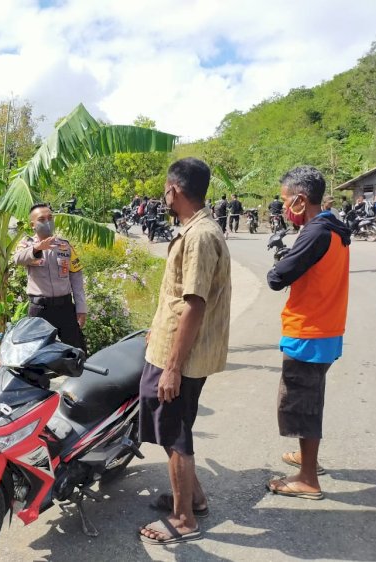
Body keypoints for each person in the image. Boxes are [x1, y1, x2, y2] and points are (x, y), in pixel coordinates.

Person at [137, 158, 231, 545]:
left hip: (182, 357)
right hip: (171, 345)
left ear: (174, 190)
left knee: (174, 430)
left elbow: (194, 303)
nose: (164, 195)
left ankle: (184, 519)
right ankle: (194, 498)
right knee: (168, 421)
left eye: (165, 188)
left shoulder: (199, 236)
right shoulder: (196, 229)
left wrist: (173, 366)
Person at [266, 166, 350, 500]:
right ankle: (307, 456)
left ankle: (308, 479)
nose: (285, 208)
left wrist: (281, 261)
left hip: (309, 331)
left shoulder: (314, 233)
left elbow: (277, 278)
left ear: (301, 200)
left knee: (302, 404)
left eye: (287, 201)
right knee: (311, 397)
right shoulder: (334, 226)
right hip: (328, 327)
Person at [13, 204, 87, 352]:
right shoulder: (27, 245)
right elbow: (17, 259)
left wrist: (81, 308)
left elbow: (76, 279)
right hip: (40, 309)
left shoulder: (65, 246)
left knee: (76, 352)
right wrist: (37, 248)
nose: (47, 222)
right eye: (42, 219)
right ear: (33, 225)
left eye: (50, 218)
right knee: (36, 353)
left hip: (65, 308)